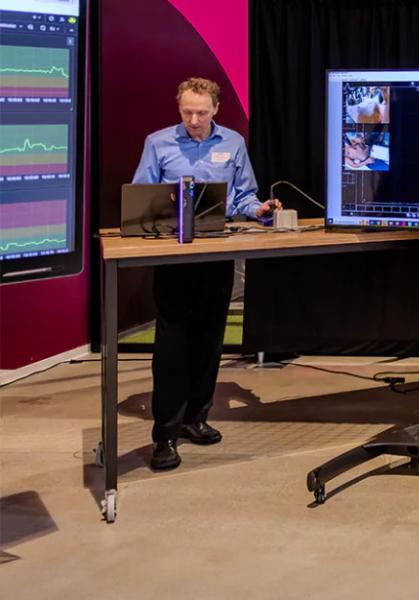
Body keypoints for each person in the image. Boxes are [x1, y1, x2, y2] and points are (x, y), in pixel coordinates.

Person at [133, 77, 282, 470]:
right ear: (178, 108)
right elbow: (140, 194)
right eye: (187, 112)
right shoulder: (158, 142)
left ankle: (195, 420)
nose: (194, 120)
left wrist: (259, 209)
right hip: (175, 257)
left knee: (209, 338)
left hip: (219, 251)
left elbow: (244, 195)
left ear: (216, 109)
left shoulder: (233, 142)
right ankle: (165, 433)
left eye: (201, 112)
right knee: (172, 345)